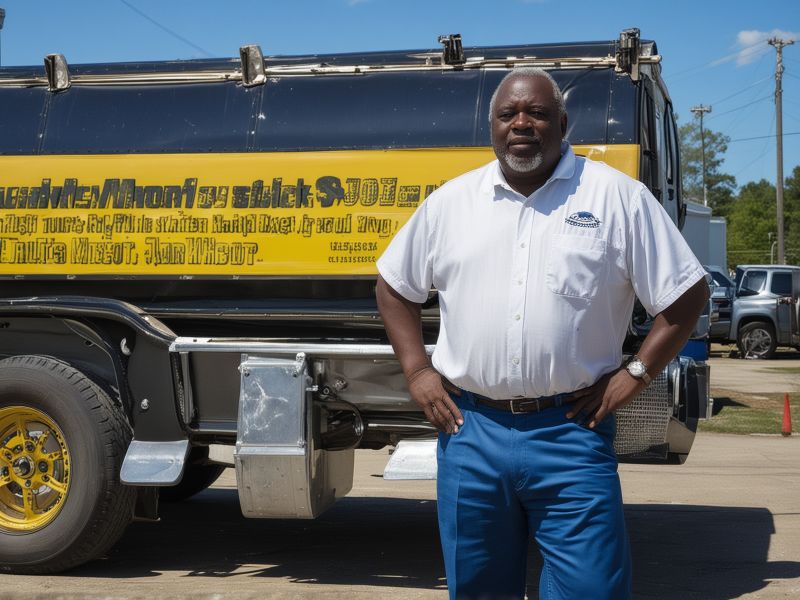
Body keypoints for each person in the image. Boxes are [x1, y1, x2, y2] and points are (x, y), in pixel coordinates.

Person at [375, 67, 709, 600]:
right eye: (508, 114)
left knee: (591, 589)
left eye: (538, 113)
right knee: (479, 588)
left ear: (563, 122)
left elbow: (687, 295)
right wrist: (417, 371)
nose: (522, 124)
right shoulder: (450, 204)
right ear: (492, 126)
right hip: (471, 431)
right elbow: (394, 287)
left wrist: (636, 374)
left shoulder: (617, 199)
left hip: (571, 432)